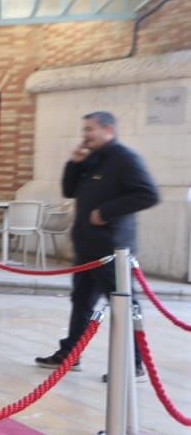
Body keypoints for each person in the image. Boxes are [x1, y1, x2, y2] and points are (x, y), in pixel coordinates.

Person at [35, 111, 159, 377]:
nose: (85, 135)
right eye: (85, 129)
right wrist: (74, 163)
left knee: (122, 305)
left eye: (90, 129)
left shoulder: (125, 159)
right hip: (87, 247)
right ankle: (70, 355)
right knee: (81, 301)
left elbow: (148, 194)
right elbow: (69, 191)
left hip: (112, 250)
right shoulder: (91, 159)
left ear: (108, 129)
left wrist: (106, 212)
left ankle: (133, 363)